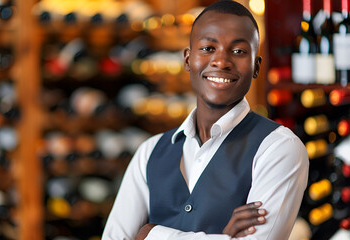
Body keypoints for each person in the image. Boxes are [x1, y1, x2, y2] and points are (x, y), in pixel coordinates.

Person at [102, 0, 309, 239]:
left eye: (239, 51)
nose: (221, 61)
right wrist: (223, 236)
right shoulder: (149, 153)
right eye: (208, 48)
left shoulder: (278, 148)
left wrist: (151, 234)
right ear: (188, 60)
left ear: (256, 66)